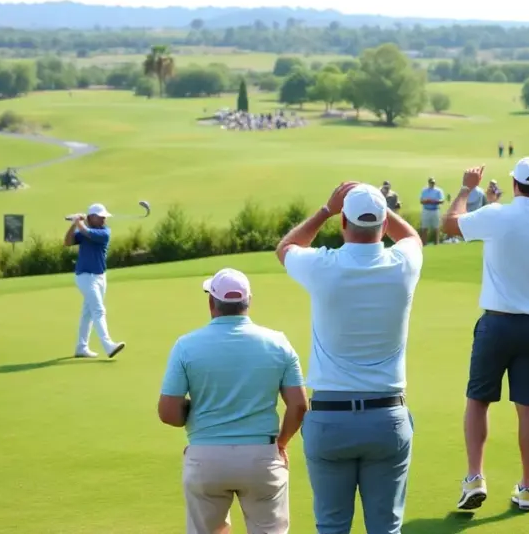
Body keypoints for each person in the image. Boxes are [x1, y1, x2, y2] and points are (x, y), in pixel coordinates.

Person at [277, 182, 422, 534]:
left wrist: (326, 210)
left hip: (330, 420)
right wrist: (382, 208)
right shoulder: (403, 264)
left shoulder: (323, 265)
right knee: (386, 529)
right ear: (384, 224)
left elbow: (286, 248)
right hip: (387, 418)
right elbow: (412, 237)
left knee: (331, 527)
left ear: (343, 222)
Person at [441, 157, 529, 513]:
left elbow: (449, 224)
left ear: (515, 184)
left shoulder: (496, 214)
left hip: (497, 324)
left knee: (478, 400)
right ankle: (528, 488)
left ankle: (475, 478)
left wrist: (467, 188)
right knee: (527, 405)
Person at [159, 268, 308, 534]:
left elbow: (169, 413)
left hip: (205, 458)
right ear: (248, 302)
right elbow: (298, 405)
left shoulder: (185, 346)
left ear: (211, 302)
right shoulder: (278, 343)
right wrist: (282, 443)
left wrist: (193, 413)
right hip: (262, 457)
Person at [64, 204, 125, 359]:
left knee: (88, 313)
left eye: (104, 216)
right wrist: (74, 224)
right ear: (91, 217)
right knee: (98, 310)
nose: (104, 219)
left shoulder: (104, 232)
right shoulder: (84, 231)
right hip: (85, 277)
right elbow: (67, 242)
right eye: (100, 216)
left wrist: (78, 222)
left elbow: (87, 232)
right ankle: (108, 345)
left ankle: (81, 347)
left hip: (100, 277)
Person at [419, 176, 445, 245]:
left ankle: (436, 243)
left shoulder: (438, 191)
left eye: (433, 183)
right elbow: (421, 201)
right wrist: (427, 201)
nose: (432, 184)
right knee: (424, 228)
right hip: (426, 210)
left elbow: (442, 200)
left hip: (435, 210)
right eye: (431, 183)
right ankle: (424, 243)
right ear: (429, 183)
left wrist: (433, 201)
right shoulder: (424, 191)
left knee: (436, 227)